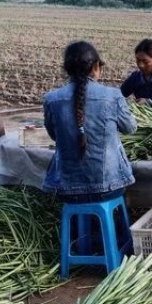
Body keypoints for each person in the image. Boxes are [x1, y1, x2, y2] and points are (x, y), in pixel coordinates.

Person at [43, 41, 137, 203]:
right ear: (95, 67)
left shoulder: (52, 99)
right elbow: (130, 128)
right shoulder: (112, 96)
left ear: (67, 69)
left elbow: (54, 136)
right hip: (109, 187)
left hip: (67, 190)